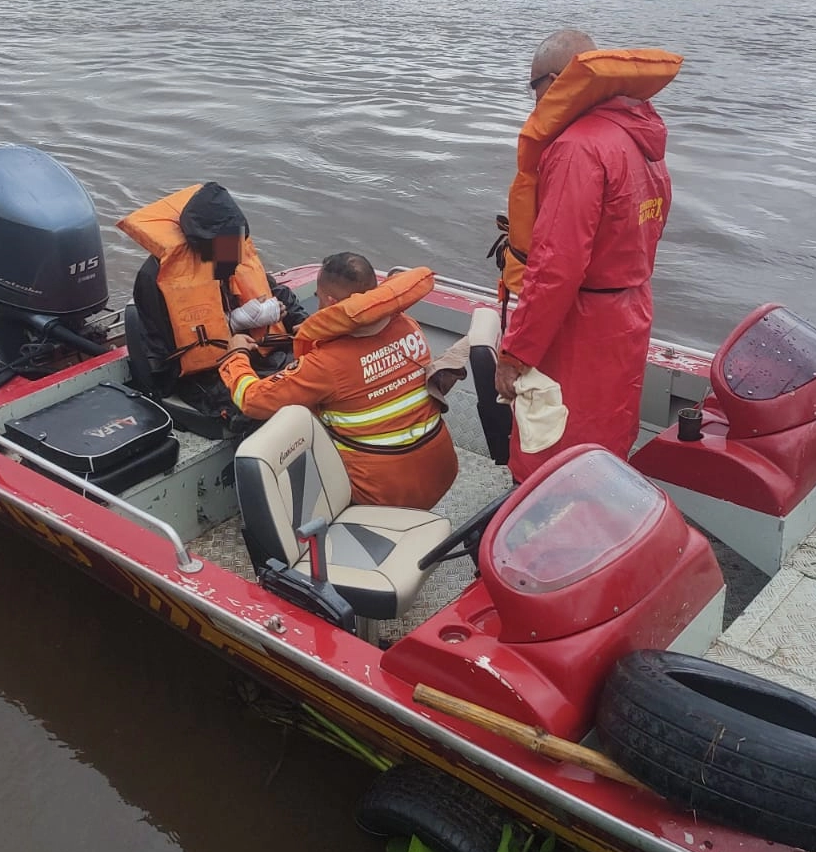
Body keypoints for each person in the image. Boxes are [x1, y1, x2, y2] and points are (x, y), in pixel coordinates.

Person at [494, 29, 681, 483]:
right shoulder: (640, 137)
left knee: (552, 451)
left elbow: (556, 268)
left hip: (578, 327)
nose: (535, 101)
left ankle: (544, 520)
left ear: (554, 82)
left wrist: (514, 354)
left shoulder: (577, 147)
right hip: (628, 314)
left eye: (534, 87)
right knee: (607, 438)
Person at [219, 253, 459, 508]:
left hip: (382, 494)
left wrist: (236, 355)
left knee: (286, 435)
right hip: (440, 473)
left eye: (319, 298)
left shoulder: (326, 364)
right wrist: (319, 332)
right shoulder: (408, 326)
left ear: (331, 302)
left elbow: (253, 400)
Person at [118, 182, 307, 403]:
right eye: (226, 247)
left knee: (312, 373)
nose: (232, 255)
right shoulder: (157, 277)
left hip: (259, 351)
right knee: (265, 402)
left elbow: (275, 290)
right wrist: (234, 323)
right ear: (202, 246)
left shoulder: (233, 247)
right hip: (203, 374)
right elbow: (164, 349)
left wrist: (302, 321)